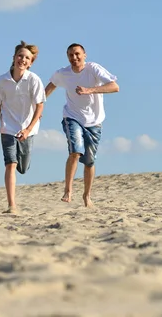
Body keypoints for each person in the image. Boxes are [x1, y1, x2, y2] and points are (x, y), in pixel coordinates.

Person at [45, 43, 119, 207]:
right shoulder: (63, 73)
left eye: (77, 54)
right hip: (72, 117)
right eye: (70, 55)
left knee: (89, 161)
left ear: (84, 55)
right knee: (75, 151)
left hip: (94, 121)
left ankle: (87, 195)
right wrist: (37, 107)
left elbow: (115, 86)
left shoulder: (93, 69)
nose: (74, 58)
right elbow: (49, 88)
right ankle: (68, 190)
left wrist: (89, 90)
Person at [0, 41, 45, 213]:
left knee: (22, 166)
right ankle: (11, 204)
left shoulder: (34, 80)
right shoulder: (1, 81)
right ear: (14, 58)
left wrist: (28, 129)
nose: (22, 59)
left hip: (29, 129)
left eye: (27, 58)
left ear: (30, 63)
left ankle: (24, 163)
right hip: (8, 128)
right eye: (20, 56)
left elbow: (40, 106)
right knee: (10, 164)